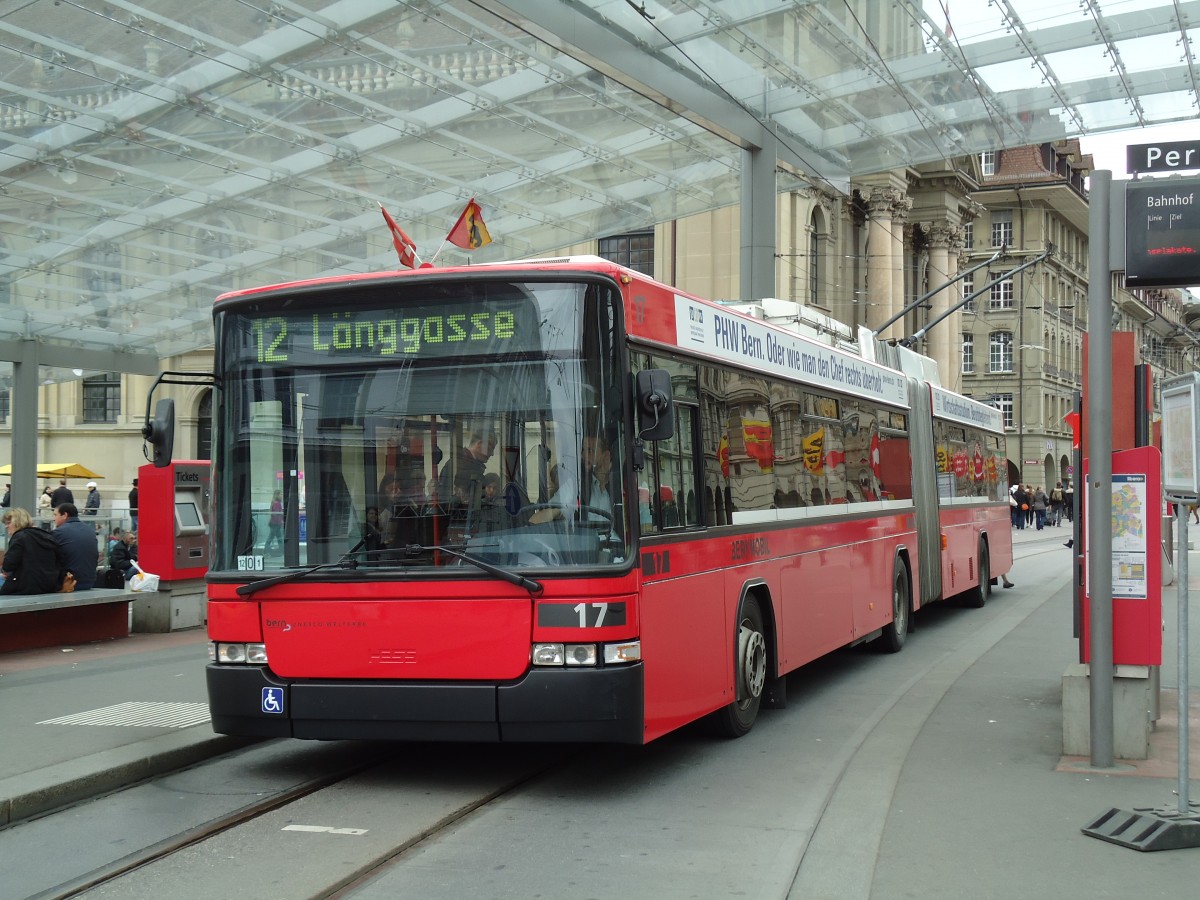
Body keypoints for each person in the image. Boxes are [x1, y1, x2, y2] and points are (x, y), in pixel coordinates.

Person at [530, 435, 614, 524]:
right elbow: (545, 514)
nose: (583, 456)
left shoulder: (617, 485)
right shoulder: (576, 485)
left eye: (590, 451)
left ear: (606, 456)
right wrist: (529, 527)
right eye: (583, 451)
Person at [1, 507, 65, 595]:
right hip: (50, 585)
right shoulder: (47, 536)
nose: (6, 526)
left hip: (24, 586)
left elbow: (8, 565)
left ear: (18, 521)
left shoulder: (19, 537)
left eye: (8, 523)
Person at [52, 502, 98, 591]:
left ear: (64, 515)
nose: (53, 518)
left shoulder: (59, 533)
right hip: (89, 581)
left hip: (69, 582)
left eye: (55, 515)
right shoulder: (90, 531)